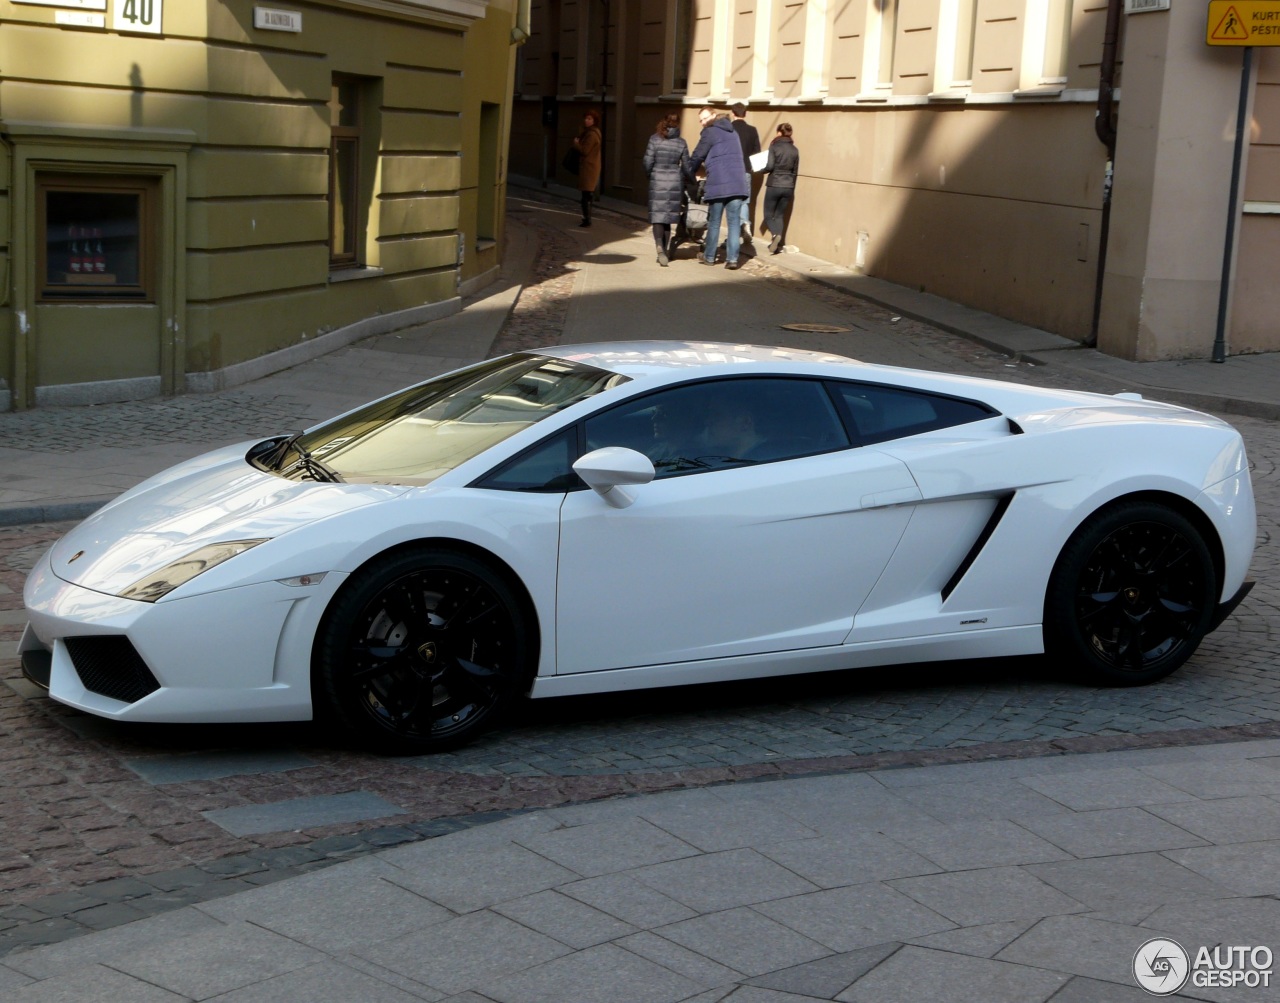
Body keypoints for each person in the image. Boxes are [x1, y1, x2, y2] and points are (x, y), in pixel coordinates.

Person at [685, 107, 749, 270]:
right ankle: (733, 259)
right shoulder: (733, 132)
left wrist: (688, 173)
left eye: (705, 118)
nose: (703, 122)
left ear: (714, 116)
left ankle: (709, 256)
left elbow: (698, 155)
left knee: (714, 222)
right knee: (734, 223)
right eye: (700, 120)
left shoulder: (710, 132)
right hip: (737, 183)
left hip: (718, 184)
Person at [642, 112, 689, 267]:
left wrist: (651, 175)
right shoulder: (681, 142)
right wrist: (690, 180)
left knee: (658, 216)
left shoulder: (655, 139)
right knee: (668, 218)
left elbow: (647, 161)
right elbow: (686, 166)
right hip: (674, 182)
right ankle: (666, 250)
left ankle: (659, 247)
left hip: (657, 180)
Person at [760, 122, 799, 254]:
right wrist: (791, 186)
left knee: (768, 214)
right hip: (788, 186)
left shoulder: (774, 147)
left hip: (774, 184)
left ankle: (775, 235)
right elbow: (795, 172)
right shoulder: (795, 150)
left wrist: (761, 170)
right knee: (779, 215)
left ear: (779, 133)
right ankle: (777, 243)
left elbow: (770, 166)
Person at [730, 103, 761, 243]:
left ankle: (735, 230)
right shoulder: (752, 130)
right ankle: (746, 224)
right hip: (746, 169)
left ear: (732, 113)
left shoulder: (729, 129)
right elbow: (756, 152)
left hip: (730, 169)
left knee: (731, 200)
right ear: (745, 114)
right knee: (744, 201)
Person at [572, 109, 602, 228]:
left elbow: (585, 151)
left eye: (589, 119)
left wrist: (576, 144)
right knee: (587, 194)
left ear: (594, 121)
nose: (586, 120)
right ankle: (586, 217)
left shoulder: (592, 134)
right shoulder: (591, 132)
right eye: (586, 118)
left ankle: (587, 219)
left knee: (586, 195)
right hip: (590, 167)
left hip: (589, 168)